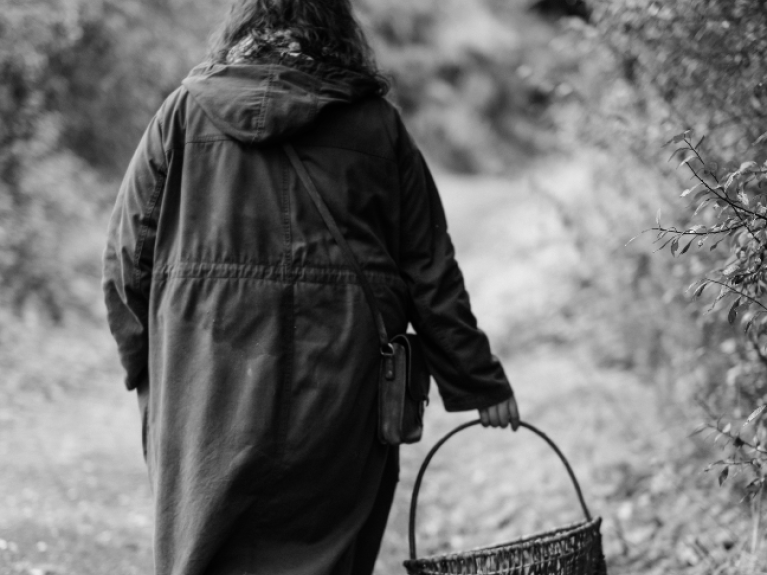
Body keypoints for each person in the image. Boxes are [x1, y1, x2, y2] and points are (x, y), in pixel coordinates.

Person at [101, 1, 520, 574]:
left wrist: (152, 371)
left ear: (244, 23)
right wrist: (479, 382)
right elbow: (430, 269)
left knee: (205, 556)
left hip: (204, 386)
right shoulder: (376, 124)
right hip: (340, 391)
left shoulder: (182, 115)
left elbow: (126, 260)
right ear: (337, 25)